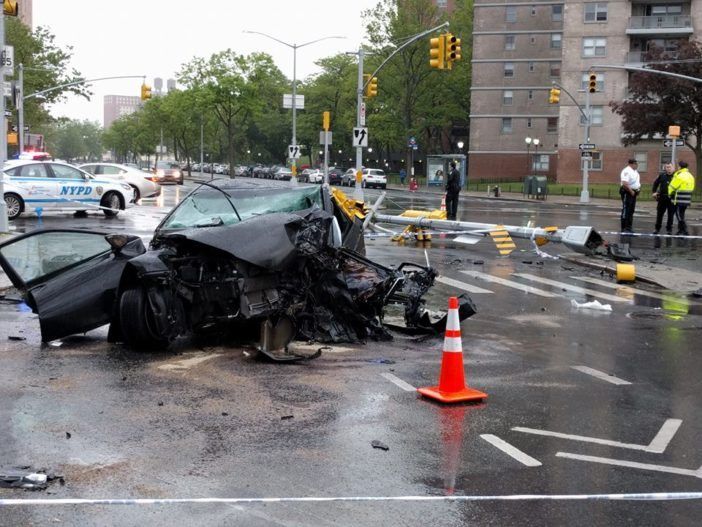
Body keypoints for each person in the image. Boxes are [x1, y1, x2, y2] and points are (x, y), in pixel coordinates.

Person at [668, 160, 696, 236]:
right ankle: (680, 230)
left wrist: (670, 194)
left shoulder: (679, 174)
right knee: (682, 214)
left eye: (678, 166)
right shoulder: (690, 175)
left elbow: (672, 186)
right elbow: (692, 187)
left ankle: (685, 229)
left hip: (679, 198)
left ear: (680, 166)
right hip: (687, 198)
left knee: (678, 215)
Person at [652, 162, 675, 234]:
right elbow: (655, 183)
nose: (668, 168)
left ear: (673, 168)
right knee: (660, 214)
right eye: (667, 167)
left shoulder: (676, 176)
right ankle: (657, 228)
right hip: (662, 197)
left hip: (672, 198)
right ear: (665, 168)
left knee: (670, 214)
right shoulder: (662, 175)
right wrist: (654, 192)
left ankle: (669, 229)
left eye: (670, 167)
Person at [619, 158, 641, 233]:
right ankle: (624, 227)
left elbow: (636, 183)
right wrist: (631, 191)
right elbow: (625, 183)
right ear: (631, 164)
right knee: (626, 210)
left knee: (631, 210)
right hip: (627, 192)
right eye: (636, 164)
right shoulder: (626, 171)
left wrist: (637, 190)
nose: (637, 165)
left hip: (633, 192)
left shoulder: (635, 171)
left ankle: (629, 227)